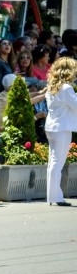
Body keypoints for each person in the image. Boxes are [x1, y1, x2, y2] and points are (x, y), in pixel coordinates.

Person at [44, 57, 77, 207]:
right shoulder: (66, 88)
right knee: (57, 163)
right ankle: (55, 197)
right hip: (62, 127)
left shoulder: (52, 86)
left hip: (52, 127)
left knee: (53, 162)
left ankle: (52, 196)